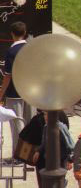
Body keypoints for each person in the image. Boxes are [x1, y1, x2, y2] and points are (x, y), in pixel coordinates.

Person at [0, 21, 34, 161]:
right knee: (30, 124)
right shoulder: (32, 48)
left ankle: (20, 157)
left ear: (12, 34)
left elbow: (8, 76)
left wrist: (1, 94)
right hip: (31, 92)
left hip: (14, 93)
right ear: (25, 33)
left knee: (17, 124)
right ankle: (31, 156)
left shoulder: (11, 52)